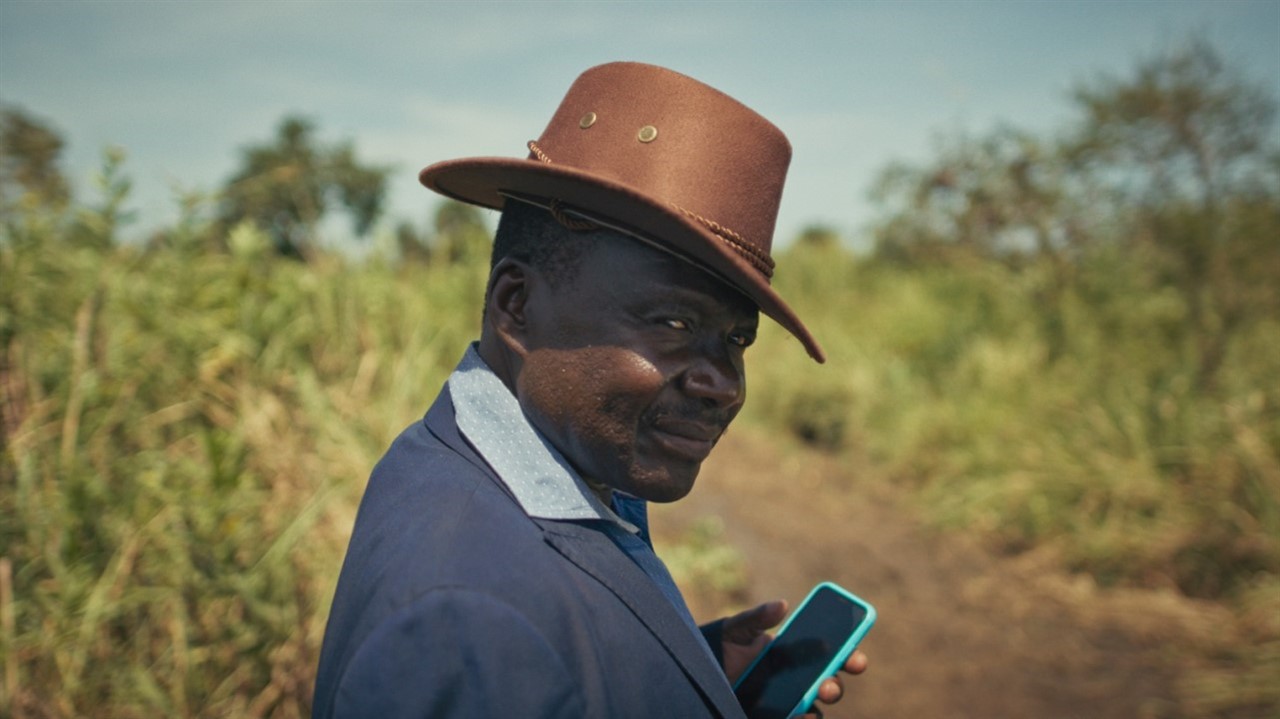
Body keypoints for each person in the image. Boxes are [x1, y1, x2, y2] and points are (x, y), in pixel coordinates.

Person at [312, 61, 867, 718]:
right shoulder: (468, 624)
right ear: (516, 305)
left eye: (736, 339)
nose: (724, 384)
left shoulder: (513, 469)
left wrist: (691, 672)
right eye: (675, 321)